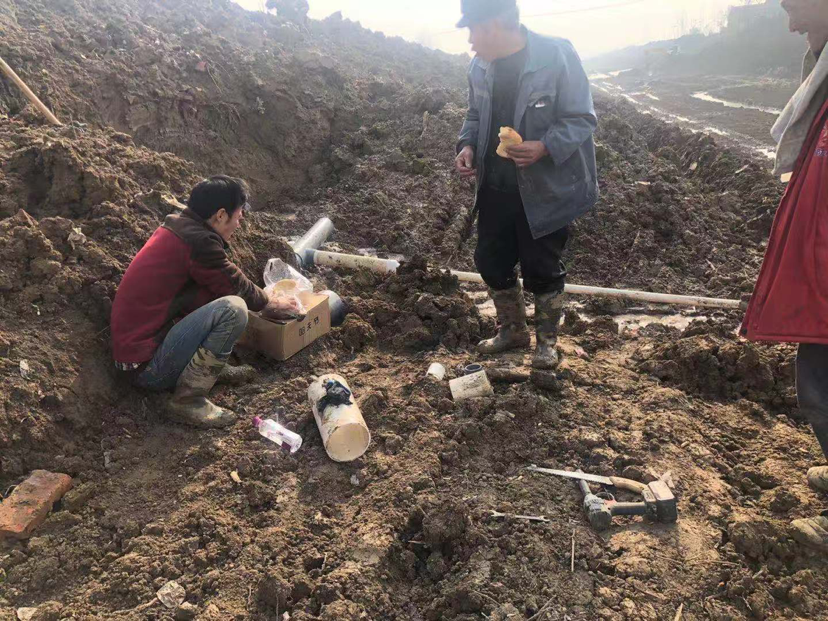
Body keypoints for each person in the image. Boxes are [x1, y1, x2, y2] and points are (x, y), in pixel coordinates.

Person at [454, 0, 598, 370]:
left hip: (544, 191)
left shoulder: (556, 56)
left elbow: (581, 118)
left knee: (542, 268)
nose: (470, 41)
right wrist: (467, 145)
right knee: (490, 261)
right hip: (495, 187)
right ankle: (513, 330)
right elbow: (474, 114)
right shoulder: (479, 66)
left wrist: (545, 146)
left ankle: (546, 344)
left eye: (473, 30)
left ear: (495, 26)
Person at [741, 0, 828, 551]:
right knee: (816, 383)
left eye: (796, 7)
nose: (791, 22)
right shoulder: (821, 71)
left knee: (822, 386)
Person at [111, 176, 295, 429]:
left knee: (217, 298)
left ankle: (208, 368)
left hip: (139, 356)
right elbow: (234, 284)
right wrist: (269, 303)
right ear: (220, 215)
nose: (240, 221)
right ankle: (188, 399)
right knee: (233, 309)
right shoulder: (198, 243)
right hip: (147, 368)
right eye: (239, 215)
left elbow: (219, 283)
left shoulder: (181, 230)